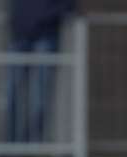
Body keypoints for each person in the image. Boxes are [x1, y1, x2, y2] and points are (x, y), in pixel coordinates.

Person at [4, 0, 75, 143]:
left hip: (45, 35)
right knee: (12, 95)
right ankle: (11, 145)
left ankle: (33, 145)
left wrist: (45, 19)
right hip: (20, 35)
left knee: (39, 97)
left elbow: (68, 6)